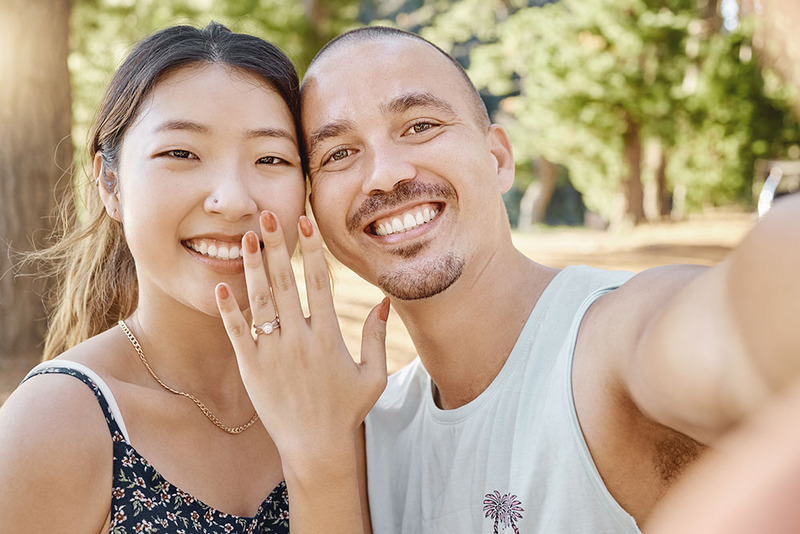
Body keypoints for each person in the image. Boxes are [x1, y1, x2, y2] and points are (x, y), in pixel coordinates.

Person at [226, 24, 800, 533]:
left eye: (420, 125)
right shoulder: (370, 431)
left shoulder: (608, 344)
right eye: (339, 154)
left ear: (499, 158)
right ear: (314, 211)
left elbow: (733, 320)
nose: (384, 175)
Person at [0, 22, 381, 533]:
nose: (232, 200)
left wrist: (323, 449)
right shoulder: (54, 424)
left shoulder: (342, 400)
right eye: (181, 153)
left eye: (270, 158)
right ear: (110, 184)